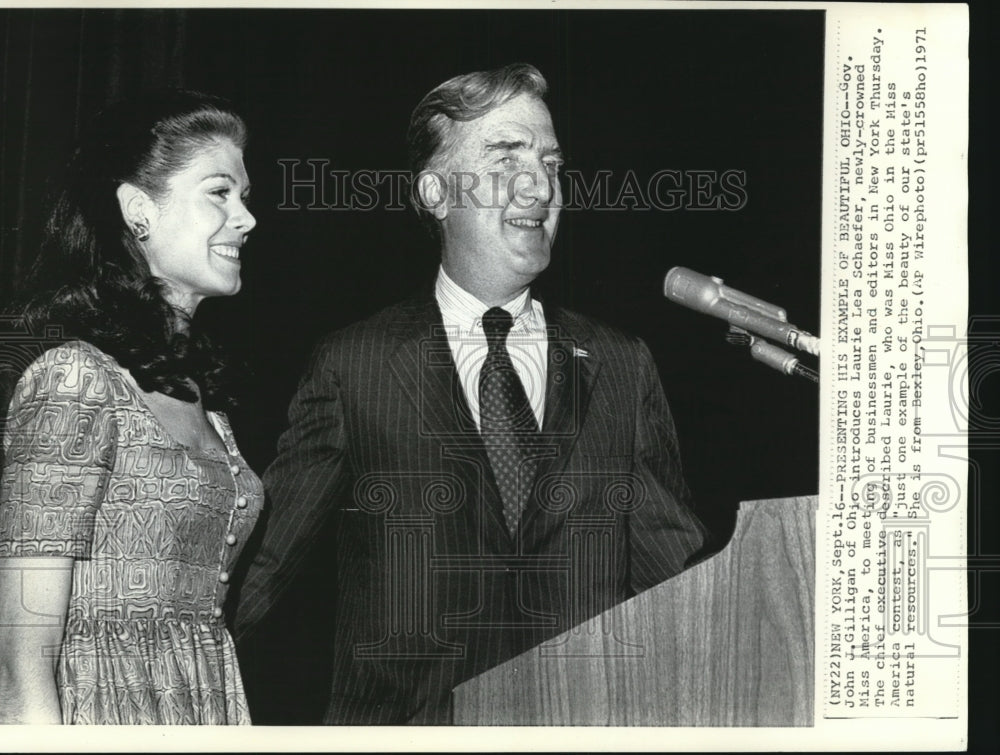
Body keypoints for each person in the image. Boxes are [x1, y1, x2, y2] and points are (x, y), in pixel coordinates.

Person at [233, 63, 706, 724]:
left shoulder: (621, 365)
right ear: (435, 191)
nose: (539, 183)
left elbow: (679, 586)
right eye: (505, 155)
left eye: (550, 161)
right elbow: (262, 573)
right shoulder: (355, 365)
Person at [0, 90, 262, 724]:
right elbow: (19, 651)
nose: (247, 218)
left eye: (244, 197)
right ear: (139, 209)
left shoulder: (205, 402)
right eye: (220, 193)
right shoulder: (76, 379)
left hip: (201, 703)